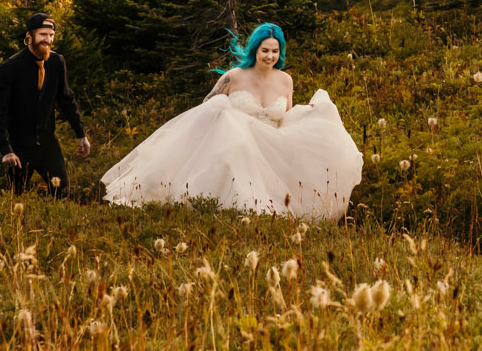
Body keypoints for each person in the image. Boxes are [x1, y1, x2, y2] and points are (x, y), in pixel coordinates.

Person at [101, 22, 362, 220]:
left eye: (274, 51)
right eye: (264, 50)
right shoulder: (234, 77)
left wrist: (311, 113)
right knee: (235, 146)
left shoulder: (285, 80)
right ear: (255, 49)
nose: (269, 56)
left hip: (270, 144)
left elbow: (286, 115)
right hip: (235, 144)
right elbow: (207, 106)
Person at [0, 12, 91, 195]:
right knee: (16, 195)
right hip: (19, 147)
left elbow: (66, 99)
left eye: (51, 35)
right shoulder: (11, 67)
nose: (48, 40)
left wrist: (81, 134)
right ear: (29, 36)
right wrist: (6, 150)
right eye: (43, 35)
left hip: (47, 143)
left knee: (62, 192)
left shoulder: (56, 62)